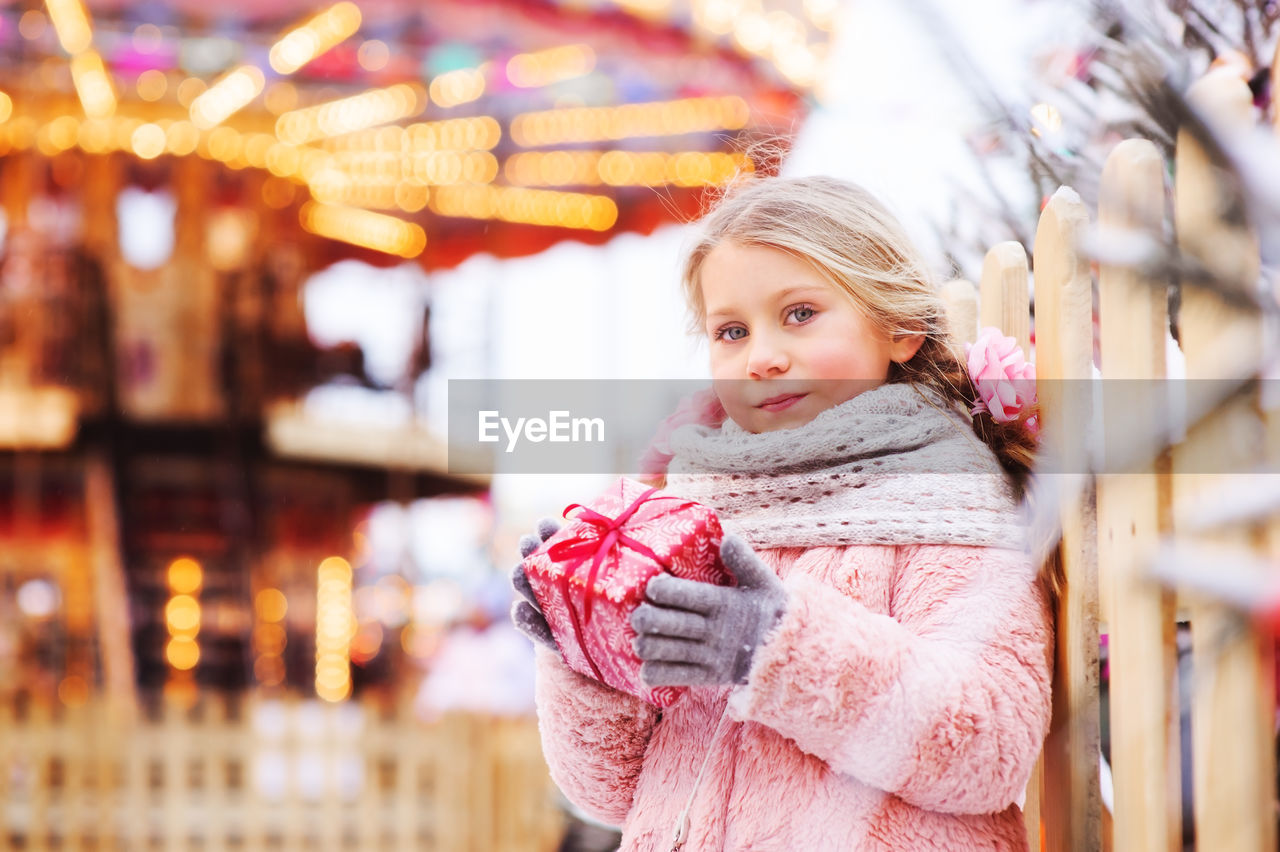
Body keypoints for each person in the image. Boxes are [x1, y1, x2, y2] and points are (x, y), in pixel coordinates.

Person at [511, 175, 1053, 851]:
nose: (762, 358)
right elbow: (612, 795)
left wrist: (778, 650)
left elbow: (990, 745)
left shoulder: (945, 499)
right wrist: (583, 655)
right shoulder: (692, 515)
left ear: (900, 327)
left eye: (799, 314)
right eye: (731, 331)